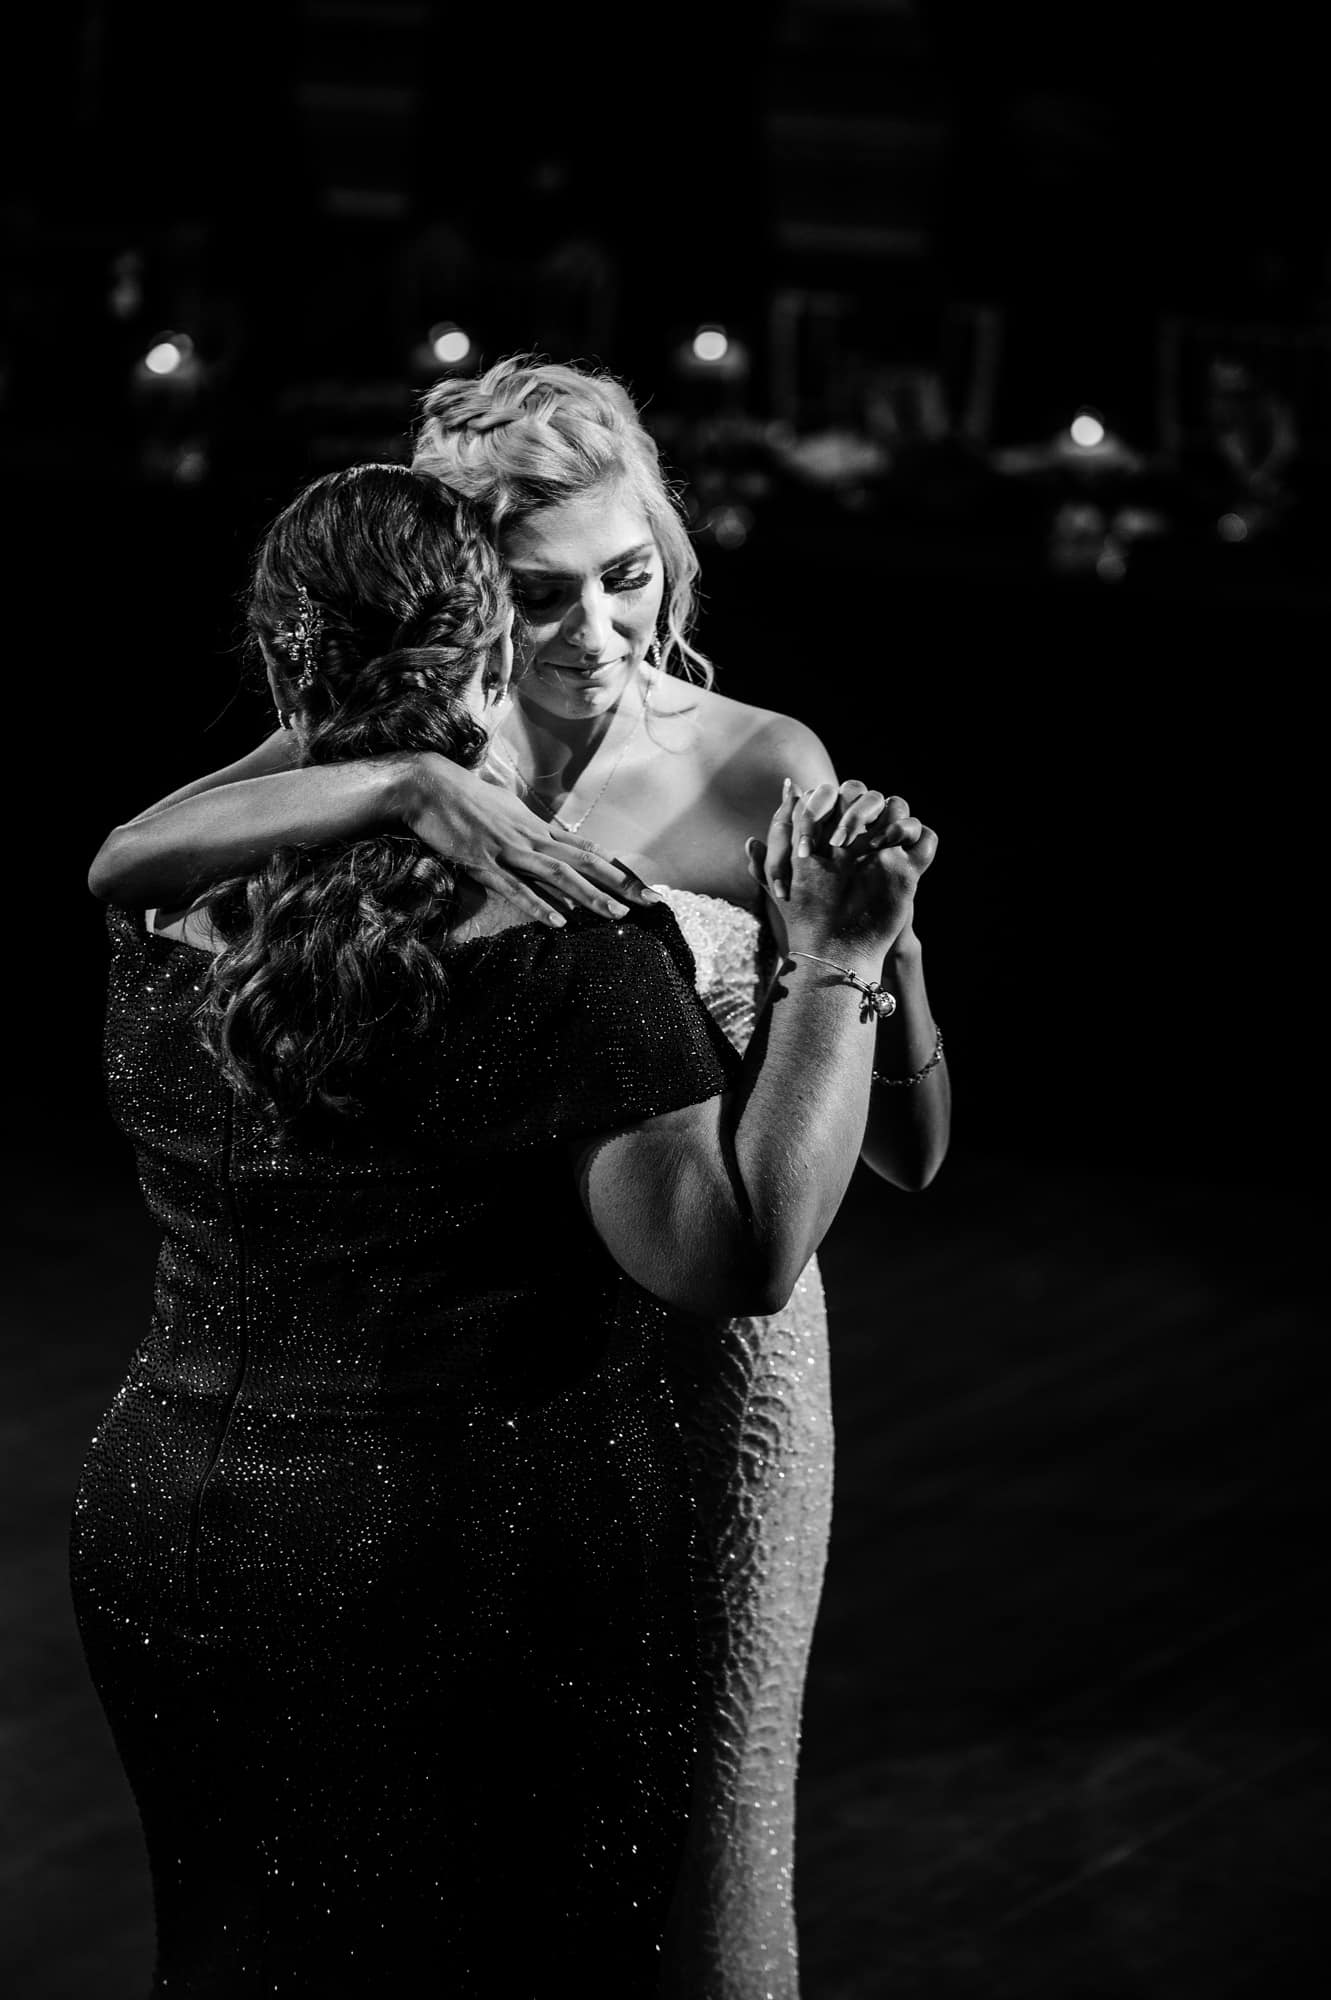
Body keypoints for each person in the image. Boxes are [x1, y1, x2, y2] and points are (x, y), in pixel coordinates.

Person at [88, 359, 950, 1999]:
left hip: (711, 1352)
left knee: (699, 1822)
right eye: (542, 597)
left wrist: (870, 960)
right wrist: (409, 781)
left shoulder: (760, 762)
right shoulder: (379, 732)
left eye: (632, 581)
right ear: (460, 595)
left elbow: (908, 1151)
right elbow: (126, 859)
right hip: (466, 1386)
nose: (600, 636)